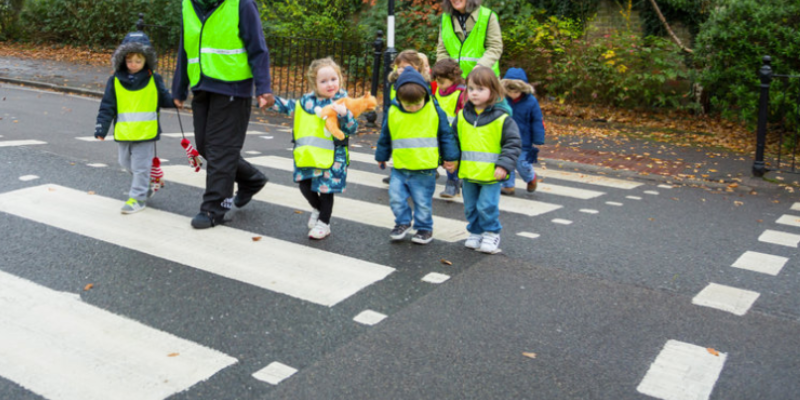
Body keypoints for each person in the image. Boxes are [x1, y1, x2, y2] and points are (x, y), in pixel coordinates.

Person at [172, 0, 274, 229]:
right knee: (206, 146)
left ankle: (214, 208)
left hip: (233, 88)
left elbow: (257, 48)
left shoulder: (241, 4)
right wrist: (179, 87)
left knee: (220, 150)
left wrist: (264, 87)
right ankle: (251, 179)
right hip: (202, 85)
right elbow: (185, 47)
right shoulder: (188, 4)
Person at [272, 57, 359, 240]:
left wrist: (345, 115)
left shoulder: (342, 103)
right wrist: (270, 100)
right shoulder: (305, 103)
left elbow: (352, 128)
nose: (330, 84)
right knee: (305, 186)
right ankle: (318, 209)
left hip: (334, 156)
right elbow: (289, 107)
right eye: (324, 81)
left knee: (326, 191)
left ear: (340, 79)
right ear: (314, 83)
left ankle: (323, 223)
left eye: (333, 79)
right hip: (307, 155)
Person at [375, 67, 460, 244]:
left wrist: (450, 158)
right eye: (408, 104)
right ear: (399, 99)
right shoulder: (393, 111)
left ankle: (424, 228)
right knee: (396, 198)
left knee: (422, 202)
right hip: (400, 165)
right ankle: (403, 222)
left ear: (425, 96)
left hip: (424, 167)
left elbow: (446, 134)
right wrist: (381, 155)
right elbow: (386, 134)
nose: (413, 108)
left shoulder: (434, 110)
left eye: (417, 103)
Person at [94, 31, 174, 214]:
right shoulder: (114, 81)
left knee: (140, 166)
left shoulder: (154, 78)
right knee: (124, 162)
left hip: (146, 132)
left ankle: (137, 198)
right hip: (124, 131)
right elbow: (107, 106)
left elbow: (164, 98)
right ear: (122, 60)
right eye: (130, 60)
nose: (134, 64)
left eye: (138, 60)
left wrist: (175, 100)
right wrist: (101, 127)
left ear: (146, 60)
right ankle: (147, 183)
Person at [452, 67, 520, 254]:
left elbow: (513, 144)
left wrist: (504, 165)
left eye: (480, 89)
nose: (474, 92)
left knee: (487, 206)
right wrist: (449, 159)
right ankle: (475, 231)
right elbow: (452, 140)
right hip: (468, 173)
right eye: (471, 88)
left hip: (492, 174)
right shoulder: (461, 116)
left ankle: (491, 233)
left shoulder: (503, 119)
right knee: (471, 207)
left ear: (493, 92)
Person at [382, 50, 433, 185]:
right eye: (399, 67)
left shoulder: (420, 84)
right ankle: (396, 172)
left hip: (414, 122)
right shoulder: (394, 83)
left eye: (405, 67)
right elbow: (390, 103)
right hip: (398, 120)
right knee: (397, 147)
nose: (401, 70)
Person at [499, 67, 545, 195]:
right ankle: (508, 185)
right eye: (509, 90)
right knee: (507, 161)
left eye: (516, 91)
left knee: (521, 163)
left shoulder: (531, 101)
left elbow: (536, 120)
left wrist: (538, 137)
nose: (512, 94)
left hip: (523, 139)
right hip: (505, 137)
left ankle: (531, 178)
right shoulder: (502, 100)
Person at [437, 0, 503, 78]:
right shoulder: (445, 18)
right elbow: (442, 51)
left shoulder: (487, 16)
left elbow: (495, 47)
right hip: (457, 82)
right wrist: (446, 71)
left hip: (484, 80)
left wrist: (480, 66)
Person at [431, 58, 468, 198]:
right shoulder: (438, 92)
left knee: (451, 159)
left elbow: (466, 113)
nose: (439, 85)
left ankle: (453, 183)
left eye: (442, 82)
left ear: (453, 78)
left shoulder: (461, 94)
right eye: (437, 82)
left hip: (456, 133)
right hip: (441, 131)